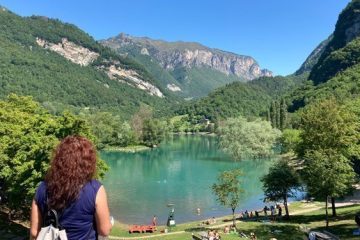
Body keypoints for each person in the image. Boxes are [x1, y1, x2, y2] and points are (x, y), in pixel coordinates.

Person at [30, 136, 112, 240]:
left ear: (59, 159)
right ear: (89, 161)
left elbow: (34, 232)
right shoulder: (95, 188)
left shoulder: (43, 187)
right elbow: (104, 231)